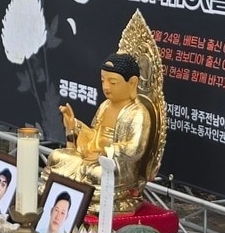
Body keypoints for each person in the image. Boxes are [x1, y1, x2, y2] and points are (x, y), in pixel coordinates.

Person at [49, 52, 159, 214]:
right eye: (103, 81)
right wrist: (74, 126)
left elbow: (135, 149)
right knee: (56, 157)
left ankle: (88, 192)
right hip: (90, 158)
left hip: (116, 167)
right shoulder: (105, 106)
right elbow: (94, 135)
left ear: (132, 83)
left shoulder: (138, 113)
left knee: (98, 174)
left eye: (113, 82)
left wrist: (106, 152)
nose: (106, 87)